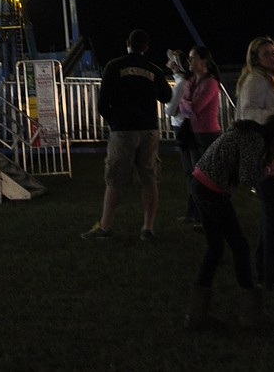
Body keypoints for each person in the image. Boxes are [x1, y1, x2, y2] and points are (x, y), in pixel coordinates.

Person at [185, 114, 274, 330]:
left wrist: (267, 165)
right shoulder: (254, 140)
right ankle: (252, 314)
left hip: (201, 184)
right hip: (212, 191)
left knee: (216, 248)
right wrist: (270, 168)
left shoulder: (247, 133)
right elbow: (247, 177)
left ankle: (197, 313)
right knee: (240, 247)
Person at [81, 28, 171, 241]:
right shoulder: (153, 69)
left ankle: (105, 226)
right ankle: (148, 227)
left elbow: (103, 102)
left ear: (127, 43)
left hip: (123, 129)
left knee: (115, 179)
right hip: (148, 129)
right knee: (149, 178)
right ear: (146, 47)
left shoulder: (114, 66)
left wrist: (115, 122)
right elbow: (166, 95)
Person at [234, 36, 274, 288]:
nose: (271, 57)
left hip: (265, 150)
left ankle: (265, 267)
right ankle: (273, 275)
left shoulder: (267, 78)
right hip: (259, 151)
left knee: (270, 213)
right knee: (273, 213)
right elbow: (247, 113)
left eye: (273, 52)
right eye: (266, 53)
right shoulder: (256, 79)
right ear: (255, 57)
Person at [177, 45, 222, 228]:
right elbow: (187, 105)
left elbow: (194, 108)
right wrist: (184, 103)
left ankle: (207, 216)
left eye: (193, 57)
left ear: (203, 61)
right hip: (194, 133)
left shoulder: (210, 83)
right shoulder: (192, 81)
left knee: (205, 176)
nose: (189, 61)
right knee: (193, 175)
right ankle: (195, 213)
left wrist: (181, 102)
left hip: (208, 134)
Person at [166, 49, 195, 220]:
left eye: (170, 61)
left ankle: (194, 211)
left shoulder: (181, 84)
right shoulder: (185, 82)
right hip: (186, 125)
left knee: (189, 170)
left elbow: (170, 109)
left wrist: (170, 106)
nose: (167, 63)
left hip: (183, 127)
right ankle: (193, 210)